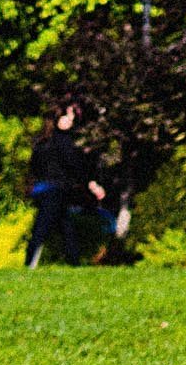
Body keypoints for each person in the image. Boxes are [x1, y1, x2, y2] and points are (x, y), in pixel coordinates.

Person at [24, 102, 117, 266]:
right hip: (54, 190)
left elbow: (34, 166)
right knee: (42, 228)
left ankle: (74, 263)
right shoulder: (63, 142)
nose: (70, 120)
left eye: (72, 117)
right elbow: (75, 166)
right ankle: (30, 263)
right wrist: (92, 184)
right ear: (57, 118)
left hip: (45, 189)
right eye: (67, 116)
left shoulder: (42, 141)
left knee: (66, 226)